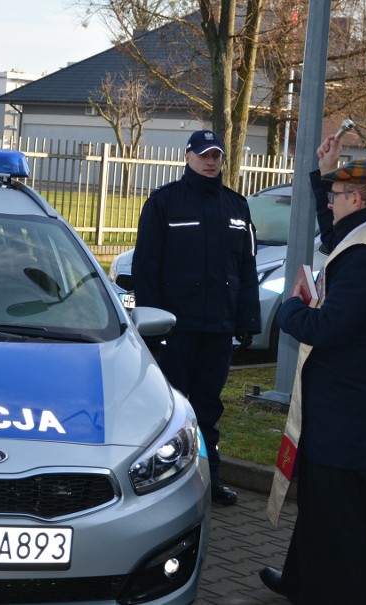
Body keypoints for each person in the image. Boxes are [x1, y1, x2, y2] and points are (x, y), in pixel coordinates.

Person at [259, 135, 366, 603]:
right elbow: (336, 238)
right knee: (322, 504)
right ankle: (301, 581)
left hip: (348, 411)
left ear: (357, 198)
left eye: (335, 194)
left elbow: (328, 327)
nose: (330, 200)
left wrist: (289, 310)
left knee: (340, 512)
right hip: (350, 405)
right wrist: (323, 170)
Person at [131, 129, 261, 506]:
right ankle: (162, 487)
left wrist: (246, 322)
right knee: (168, 409)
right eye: (203, 155)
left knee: (208, 407)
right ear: (187, 156)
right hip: (176, 330)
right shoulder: (164, 203)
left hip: (217, 329)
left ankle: (208, 480)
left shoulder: (236, 206)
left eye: (216, 155)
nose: (210, 161)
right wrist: (153, 324)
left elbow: (245, 269)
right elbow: (147, 267)